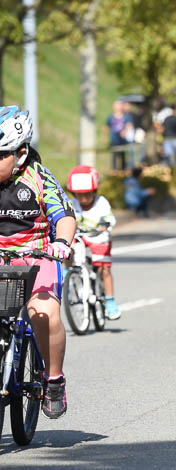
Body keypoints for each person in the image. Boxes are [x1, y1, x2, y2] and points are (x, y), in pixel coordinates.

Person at [0, 106, 76, 419]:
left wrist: (62, 243)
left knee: (43, 313)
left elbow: (65, 217)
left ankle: (54, 379)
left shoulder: (39, 178)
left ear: (20, 154)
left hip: (37, 256)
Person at [67, 165, 120, 320]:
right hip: (79, 236)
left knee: (104, 268)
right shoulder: (72, 204)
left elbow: (109, 219)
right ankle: (68, 272)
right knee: (67, 246)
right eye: (79, 195)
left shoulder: (101, 203)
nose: (83, 199)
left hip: (98, 237)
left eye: (87, 195)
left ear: (94, 191)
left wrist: (104, 226)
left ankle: (110, 301)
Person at [104, 100, 133, 170]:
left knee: (122, 157)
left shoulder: (126, 117)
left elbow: (129, 125)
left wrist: (125, 132)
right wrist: (104, 137)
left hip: (122, 140)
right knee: (114, 157)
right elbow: (106, 127)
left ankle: (122, 171)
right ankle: (114, 171)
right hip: (114, 140)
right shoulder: (110, 117)